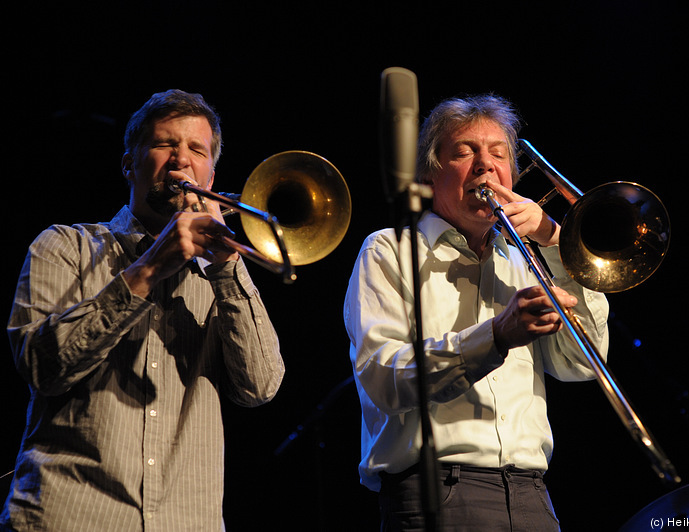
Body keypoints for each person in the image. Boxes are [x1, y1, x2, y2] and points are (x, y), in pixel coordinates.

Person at [1, 89, 285, 531]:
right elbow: (42, 366)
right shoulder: (64, 247)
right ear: (128, 164)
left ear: (211, 175)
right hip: (71, 515)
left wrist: (228, 265)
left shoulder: (220, 278)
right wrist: (149, 268)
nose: (180, 160)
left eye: (197, 149)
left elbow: (261, 386)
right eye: (163, 144)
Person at [344, 94, 610, 531]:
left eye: (499, 153)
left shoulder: (530, 260)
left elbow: (583, 364)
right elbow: (382, 379)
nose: (485, 165)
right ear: (430, 176)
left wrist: (557, 242)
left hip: (532, 495)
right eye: (464, 152)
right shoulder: (390, 250)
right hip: (438, 492)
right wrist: (495, 336)